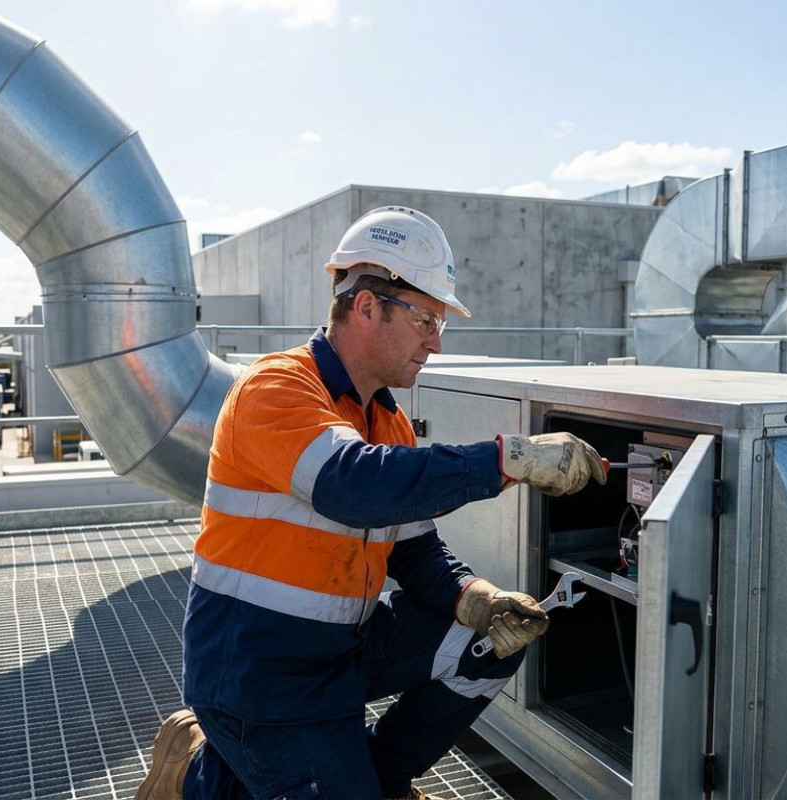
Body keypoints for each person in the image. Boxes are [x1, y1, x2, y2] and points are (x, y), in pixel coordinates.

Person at [136, 206, 606, 800]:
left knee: (487, 644)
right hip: (258, 672)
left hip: (341, 649)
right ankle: (195, 773)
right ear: (365, 306)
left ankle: (378, 780)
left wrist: (477, 598)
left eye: (440, 323)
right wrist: (508, 460)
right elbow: (351, 484)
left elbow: (414, 552)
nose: (436, 342)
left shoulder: (389, 421)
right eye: (426, 319)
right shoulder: (274, 388)